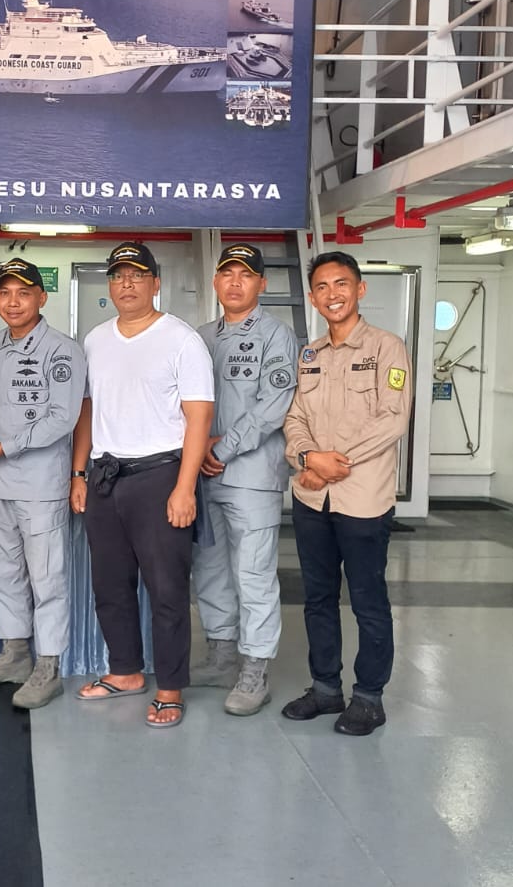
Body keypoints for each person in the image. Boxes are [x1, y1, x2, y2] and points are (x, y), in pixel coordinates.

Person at [70, 241, 214, 729]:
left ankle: (170, 688)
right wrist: (79, 472)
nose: (126, 283)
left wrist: (185, 487)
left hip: (159, 478)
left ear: (156, 283)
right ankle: (126, 671)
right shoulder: (95, 340)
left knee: (167, 588)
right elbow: (88, 411)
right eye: (118, 276)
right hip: (105, 478)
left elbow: (199, 417)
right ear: (109, 285)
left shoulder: (181, 340)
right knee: (110, 585)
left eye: (137, 275)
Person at [282, 251, 412, 736]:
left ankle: (369, 698)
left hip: (363, 499)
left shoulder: (386, 348)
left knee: (367, 601)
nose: (331, 294)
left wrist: (333, 464)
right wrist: (307, 459)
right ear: (313, 297)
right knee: (317, 599)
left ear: (360, 290)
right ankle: (325, 689)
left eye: (341, 284)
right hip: (312, 498)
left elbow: (392, 420)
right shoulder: (309, 355)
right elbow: (293, 419)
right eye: (321, 287)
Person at [0, 258, 86, 710]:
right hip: (0, 484)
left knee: (47, 578)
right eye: (4, 292)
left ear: (41, 298)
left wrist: (3, 447)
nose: (13, 302)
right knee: (4, 572)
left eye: (23, 293)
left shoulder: (62, 351)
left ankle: (47, 667)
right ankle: (14, 654)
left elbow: (62, 420)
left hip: (41, 485)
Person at [191, 244, 298, 716]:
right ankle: (221, 653)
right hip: (201, 475)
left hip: (251, 475)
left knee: (252, 573)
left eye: (245, 274)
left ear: (261, 284)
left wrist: (222, 446)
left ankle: (255, 668)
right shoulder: (197, 338)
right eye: (226, 273)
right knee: (209, 567)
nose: (235, 282)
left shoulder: (277, 336)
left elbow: (273, 407)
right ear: (215, 282)